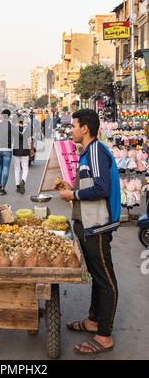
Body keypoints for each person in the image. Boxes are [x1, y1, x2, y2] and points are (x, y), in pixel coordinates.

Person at [60, 109, 120, 356]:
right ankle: (93, 321)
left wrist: (72, 195)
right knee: (96, 276)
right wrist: (71, 188)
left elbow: (101, 188)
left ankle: (104, 336)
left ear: (85, 128)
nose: (71, 130)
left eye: (74, 125)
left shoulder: (96, 151)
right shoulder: (88, 152)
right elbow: (89, 184)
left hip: (97, 227)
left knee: (106, 280)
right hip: (87, 225)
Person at [13, 116, 32, 194]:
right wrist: (31, 149)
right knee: (25, 168)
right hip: (25, 150)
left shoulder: (14, 129)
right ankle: (23, 181)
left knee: (17, 168)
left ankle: (17, 185)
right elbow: (29, 140)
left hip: (16, 150)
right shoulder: (27, 129)